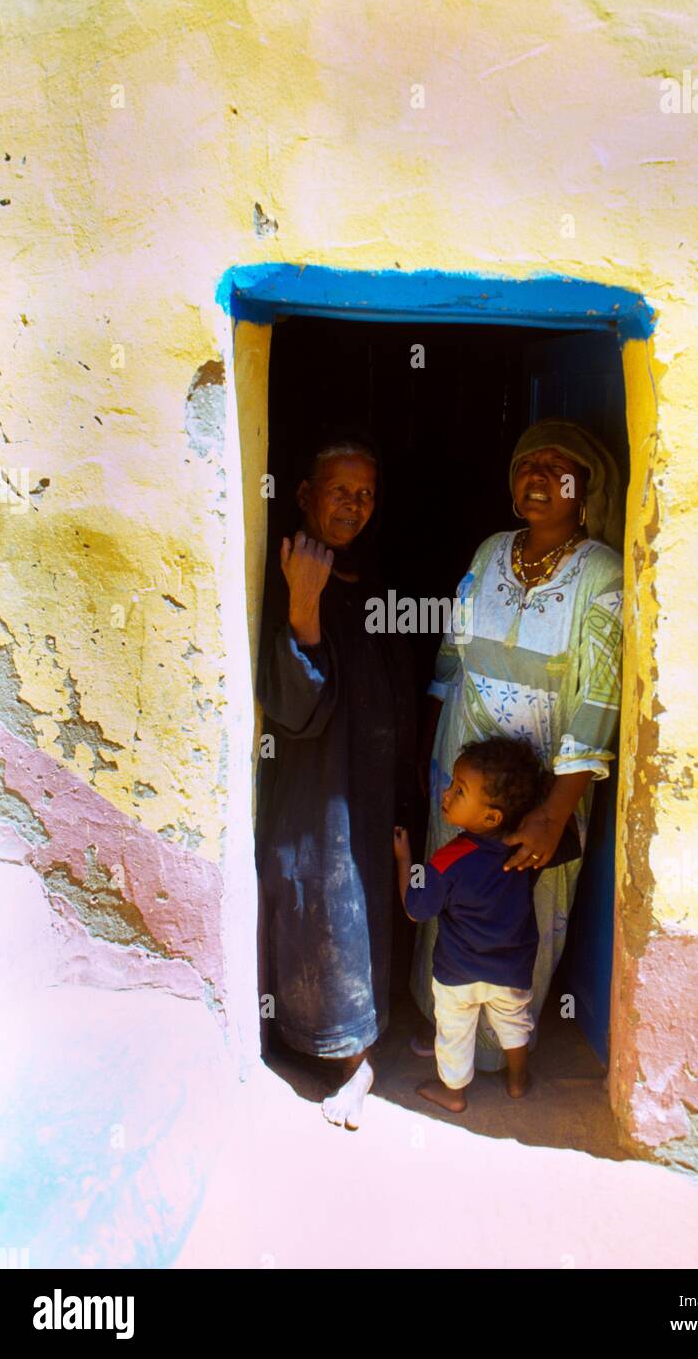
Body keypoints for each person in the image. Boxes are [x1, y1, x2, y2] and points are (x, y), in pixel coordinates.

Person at [409, 417, 624, 1071]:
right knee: (452, 891)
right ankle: (442, 1025)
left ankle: (505, 1052)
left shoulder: (601, 573)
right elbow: (452, 652)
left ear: (583, 489)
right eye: (528, 465)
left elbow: (600, 700)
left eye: (558, 469)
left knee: (522, 908)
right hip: (464, 765)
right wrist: (428, 746)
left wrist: (551, 813)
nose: (538, 478)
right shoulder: (489, 551)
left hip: (542, 785)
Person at [255, 434, 415, 1130]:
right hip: (317, 780)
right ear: (304, 495)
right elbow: (295, 710)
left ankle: (359, 1055)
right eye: (339, 490)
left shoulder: (365, 575)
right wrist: (302, 604)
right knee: (316, 891)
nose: (354, 505)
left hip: (373, 779)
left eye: (367, 494)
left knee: (364, 900)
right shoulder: (287, 570)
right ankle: (318, 1044)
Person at [394, 737, 580, 1111]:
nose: (446, 794)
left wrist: (405, 861)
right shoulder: (526, 854)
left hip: (457, 974)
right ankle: (517, 1081)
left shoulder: (449, 860)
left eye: (459, 790)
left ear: (492, 817)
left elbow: (416, 908)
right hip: (510, 970)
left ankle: (455, 1093)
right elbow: (570, 843)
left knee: (454, 1034)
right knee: (515, 1027)